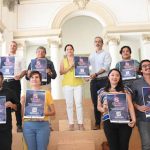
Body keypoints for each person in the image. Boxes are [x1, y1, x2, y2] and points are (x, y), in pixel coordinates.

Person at [97, 69, 136, 150]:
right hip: (108, 121)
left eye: (117, 75)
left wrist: (134, 119)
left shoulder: (125, 90)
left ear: (120, 78)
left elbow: (130, 105)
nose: (115, 77)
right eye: (112, 75)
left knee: (124, 147)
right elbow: (98, 107)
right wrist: (103, 109)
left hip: (124, 121)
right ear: (108, 77)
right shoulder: (102, 91)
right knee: (113, 147)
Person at [21, 71, 55, 150]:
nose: (34, 79)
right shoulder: (25, 94)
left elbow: (53, 112)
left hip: (43, 125)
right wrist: (22, 104)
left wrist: (42, 113)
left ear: (40, 80)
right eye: (32, 77)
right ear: (29, 80)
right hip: (28, 125)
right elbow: (23, 115)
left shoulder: (47, 93)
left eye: (37, 77)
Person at [3, 41, 27, 132]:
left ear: (16, 48)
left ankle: (19, 125)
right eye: (11, 45)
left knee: (17, 103)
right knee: (3, 103)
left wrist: (20, 76)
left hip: (15, 82)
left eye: (14, 46)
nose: (12, 47)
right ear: (9, 47)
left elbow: (24, 70)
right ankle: (4, 125)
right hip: (5, 83)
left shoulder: (20, 58)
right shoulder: (3, 59)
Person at [60, 44, 84, 131]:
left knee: (79, 104)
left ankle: (80, 123)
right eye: (67, 49)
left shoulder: (79, 60)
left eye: (71, 49)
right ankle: (71, 123)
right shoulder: (63, 60)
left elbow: (83, 71)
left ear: (73, 50)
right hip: (67, 85)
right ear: (65, 51)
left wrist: (86, 77)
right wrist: (71, 66)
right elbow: (61, 72)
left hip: (78, 84)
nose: (69, 51)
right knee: (69, 104)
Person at [89, 36, 112, 130]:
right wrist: (87, 76)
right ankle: (97, 123)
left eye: (99, 41)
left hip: (104, 80)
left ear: (102, 44)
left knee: (106, 101)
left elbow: (106, 67)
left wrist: (96, 73)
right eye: (96, 41)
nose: (97, 43)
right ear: (94, 44)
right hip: (94, 81)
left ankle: (108, 122)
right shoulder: (91, 56)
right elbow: (88, 69)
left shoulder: (106, 54)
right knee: (95, 103)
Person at [131, 59, 150, 150]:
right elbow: (132, 100)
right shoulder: (136, 83)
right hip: (143, 118)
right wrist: (138, 107)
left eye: (149, 65)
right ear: (141, 70)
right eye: (144, 66)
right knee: (146, 144)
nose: (148, 67)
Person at [0, 72, 19, 150]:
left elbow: (18, 106)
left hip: (5, 128)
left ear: (2, 79)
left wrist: (12, 105)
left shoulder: (9, 92)